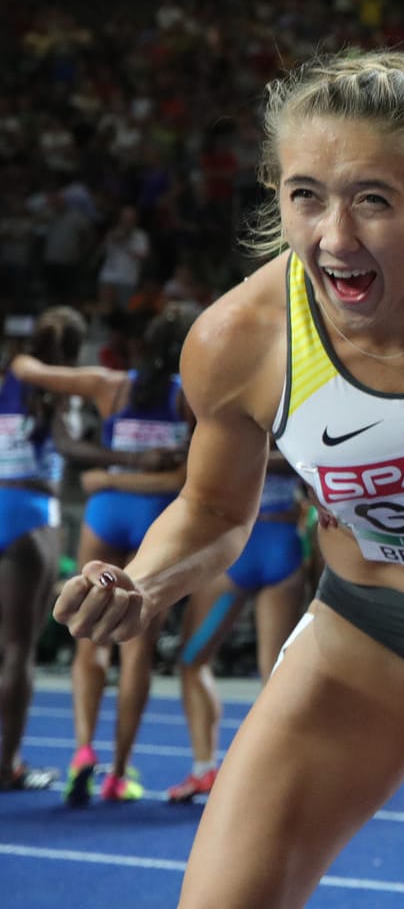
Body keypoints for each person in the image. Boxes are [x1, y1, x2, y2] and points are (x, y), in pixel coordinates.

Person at [53, 51, 404, 907]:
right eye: (305, 196)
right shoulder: (238, 342)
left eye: (372, 199)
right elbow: (212, 510)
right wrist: (143, 584)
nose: (335, 235)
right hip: (370, 629)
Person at [58, 303, 198, 805]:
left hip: (105, 512)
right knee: (134, 649)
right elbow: (187, 480)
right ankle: (118, 772)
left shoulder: (110, 386)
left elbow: (37, 371)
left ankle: (81, 751)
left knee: (87, 638)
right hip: (155, 520)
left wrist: (108, 478)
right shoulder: (191, 398)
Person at [164, 452, 311, 804]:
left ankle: (205, 769)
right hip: (281, 539)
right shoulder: (296, 406)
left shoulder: (223, 407)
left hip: (235, 546)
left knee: (193, 661)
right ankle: (279, 780)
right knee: (276, 677)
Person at [0, 306, 88, 790]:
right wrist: (126, 457)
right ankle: (8, 764)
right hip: (30, 515)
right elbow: (68, 448)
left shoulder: (8, 377)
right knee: (18, 649)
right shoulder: (58, 391)